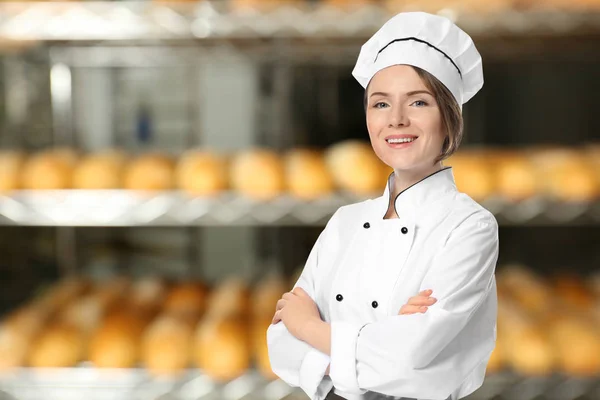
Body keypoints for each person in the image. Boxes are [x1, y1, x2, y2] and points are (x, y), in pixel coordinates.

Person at [266, 11, 499, 400]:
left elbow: (411, 361)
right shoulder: (345, 221)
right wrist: (383, 342)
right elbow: (278, 345)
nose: (397, 120)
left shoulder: (470, 226)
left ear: (450, 118)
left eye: (419, 102)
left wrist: (310, 328)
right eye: (380, 104)